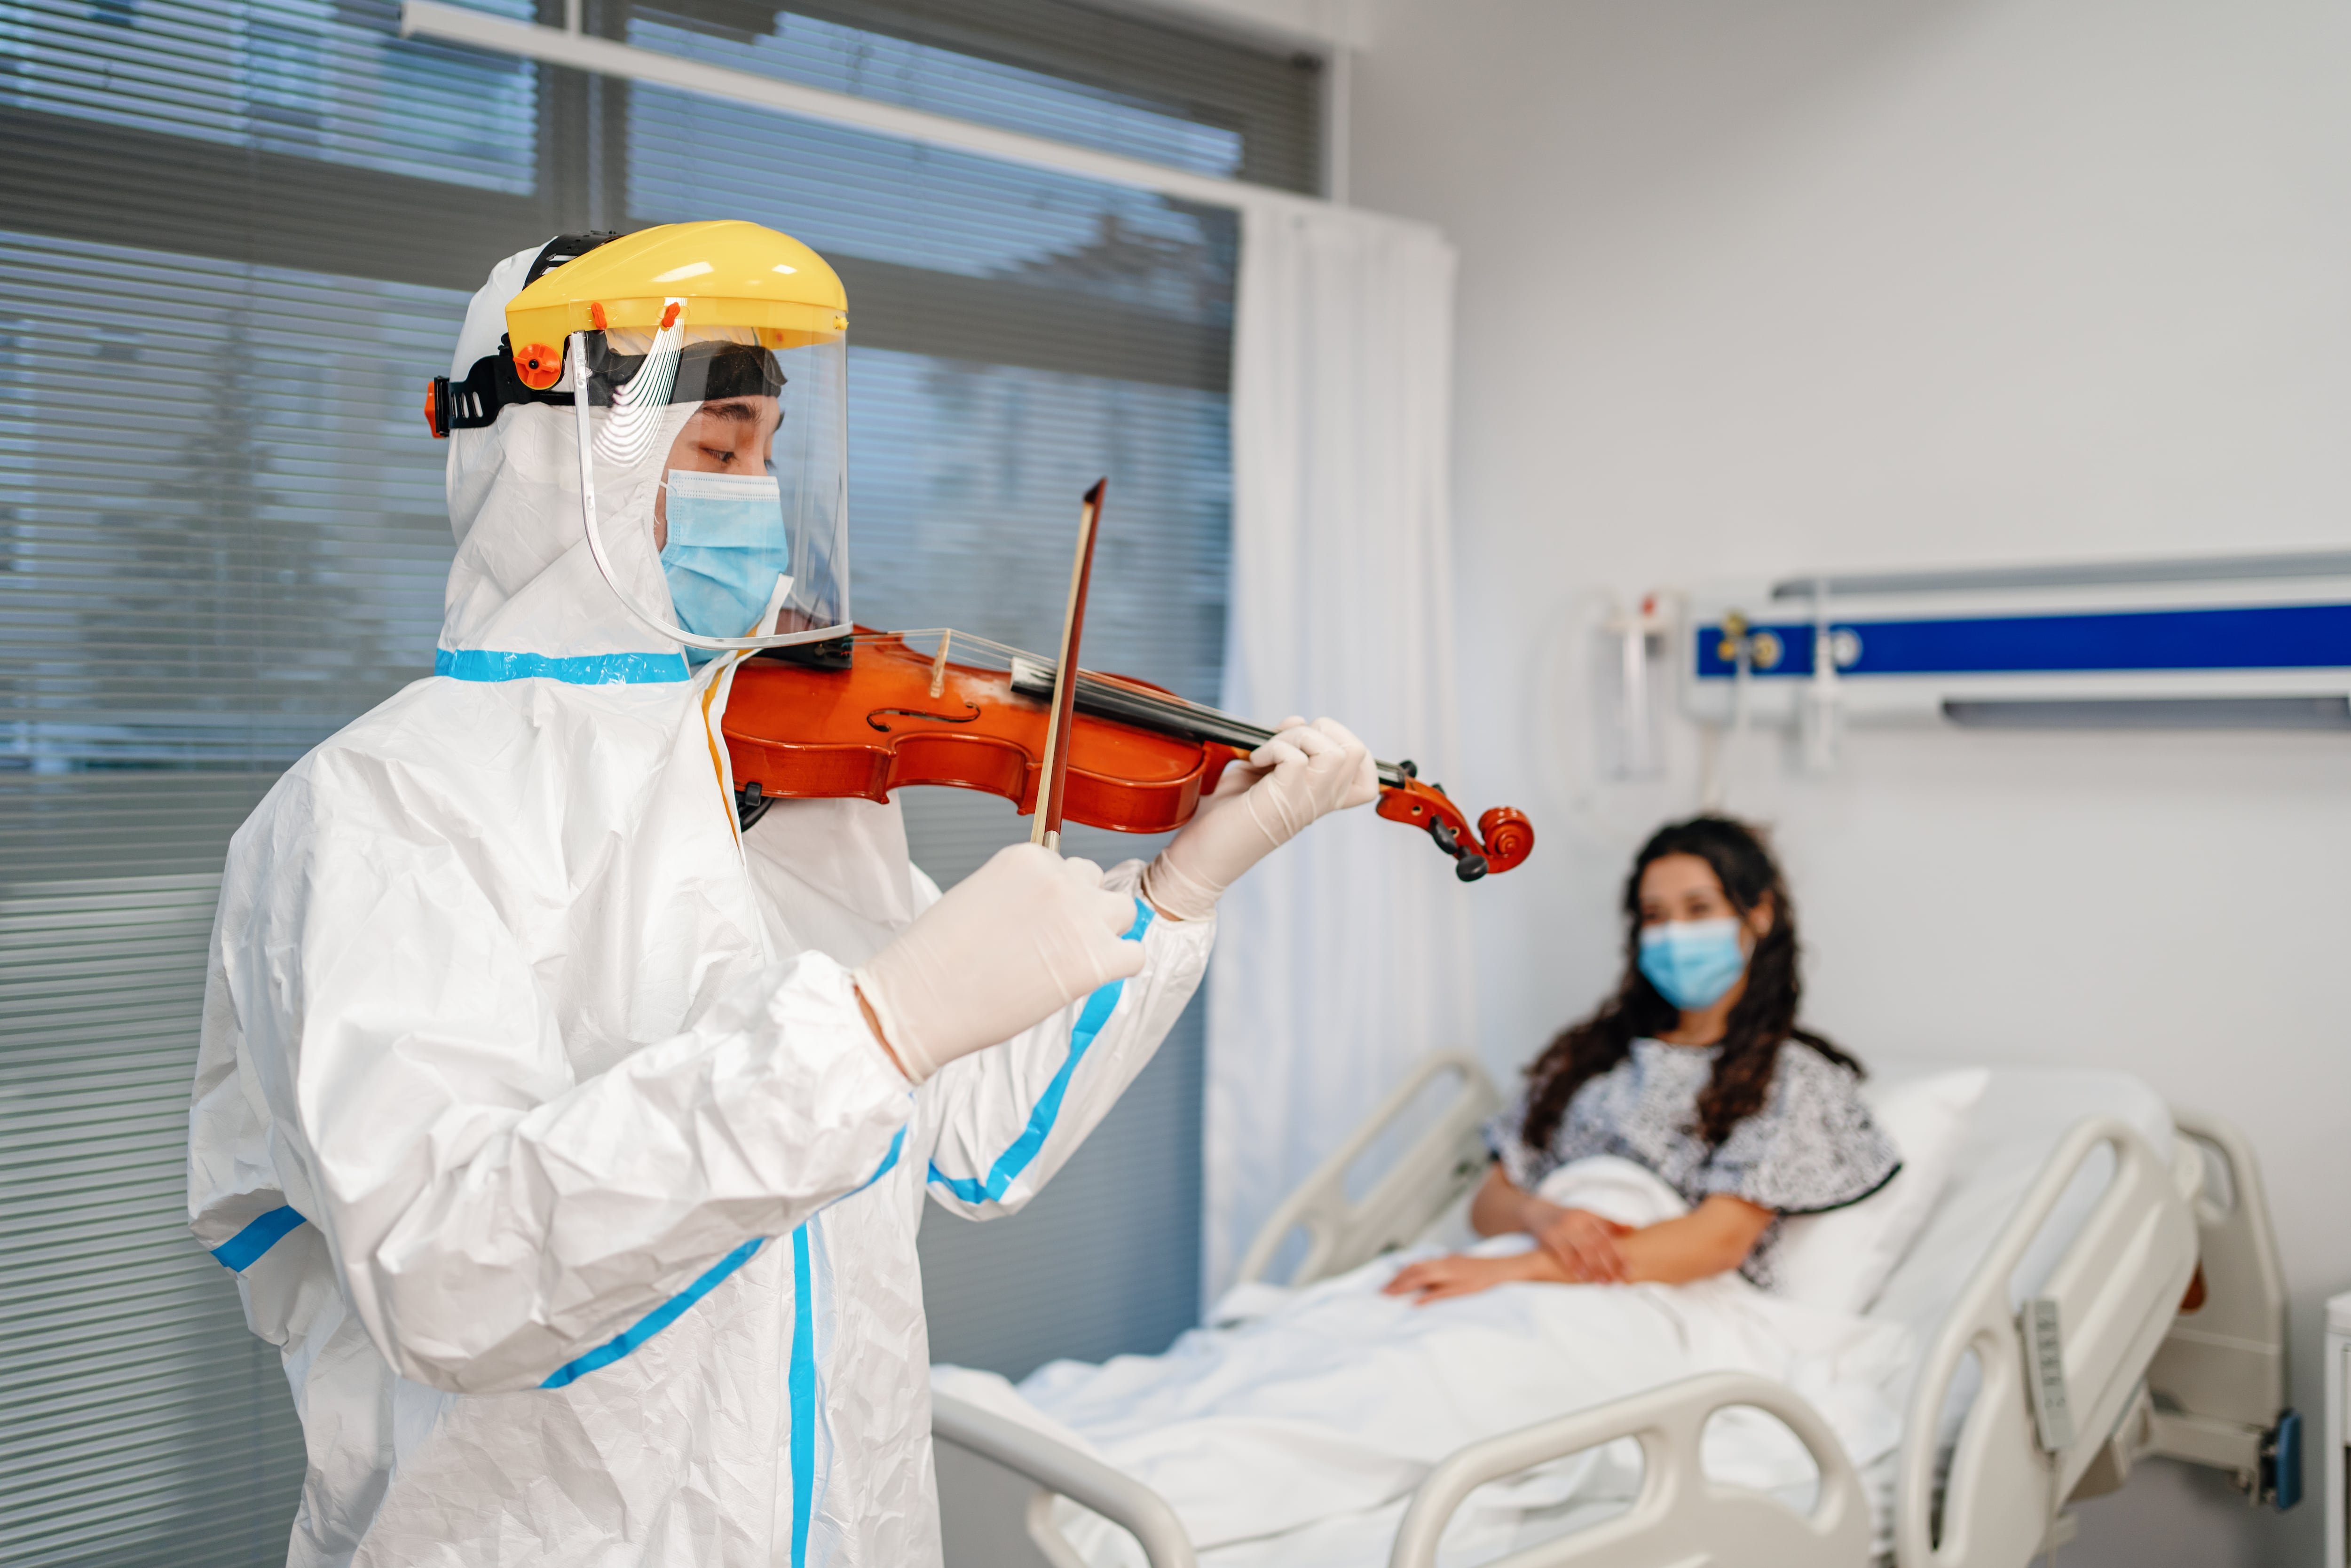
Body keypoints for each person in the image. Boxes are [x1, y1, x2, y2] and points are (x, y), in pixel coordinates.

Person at [185, 222, 1374, 1568]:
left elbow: (971, 1134)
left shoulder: (783, 775)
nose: (753, 492)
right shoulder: (383, 807)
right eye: (714, 448)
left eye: (766, 451)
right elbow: (443, 1264)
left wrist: (1174, 890)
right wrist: (871, 1027)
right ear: (553, 449)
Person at [1386, 814, 1896, 1305]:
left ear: (1758, 914)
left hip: (1652, 1297)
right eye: (1655, 915)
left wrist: (1512, 1271)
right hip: (1515, 1268)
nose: (1674, 933)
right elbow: (1488, 1201)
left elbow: (1714, 1242)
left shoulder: (1789, 1078)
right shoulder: (1588, 1058)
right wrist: (1538, 1216)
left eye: (1698, 909)